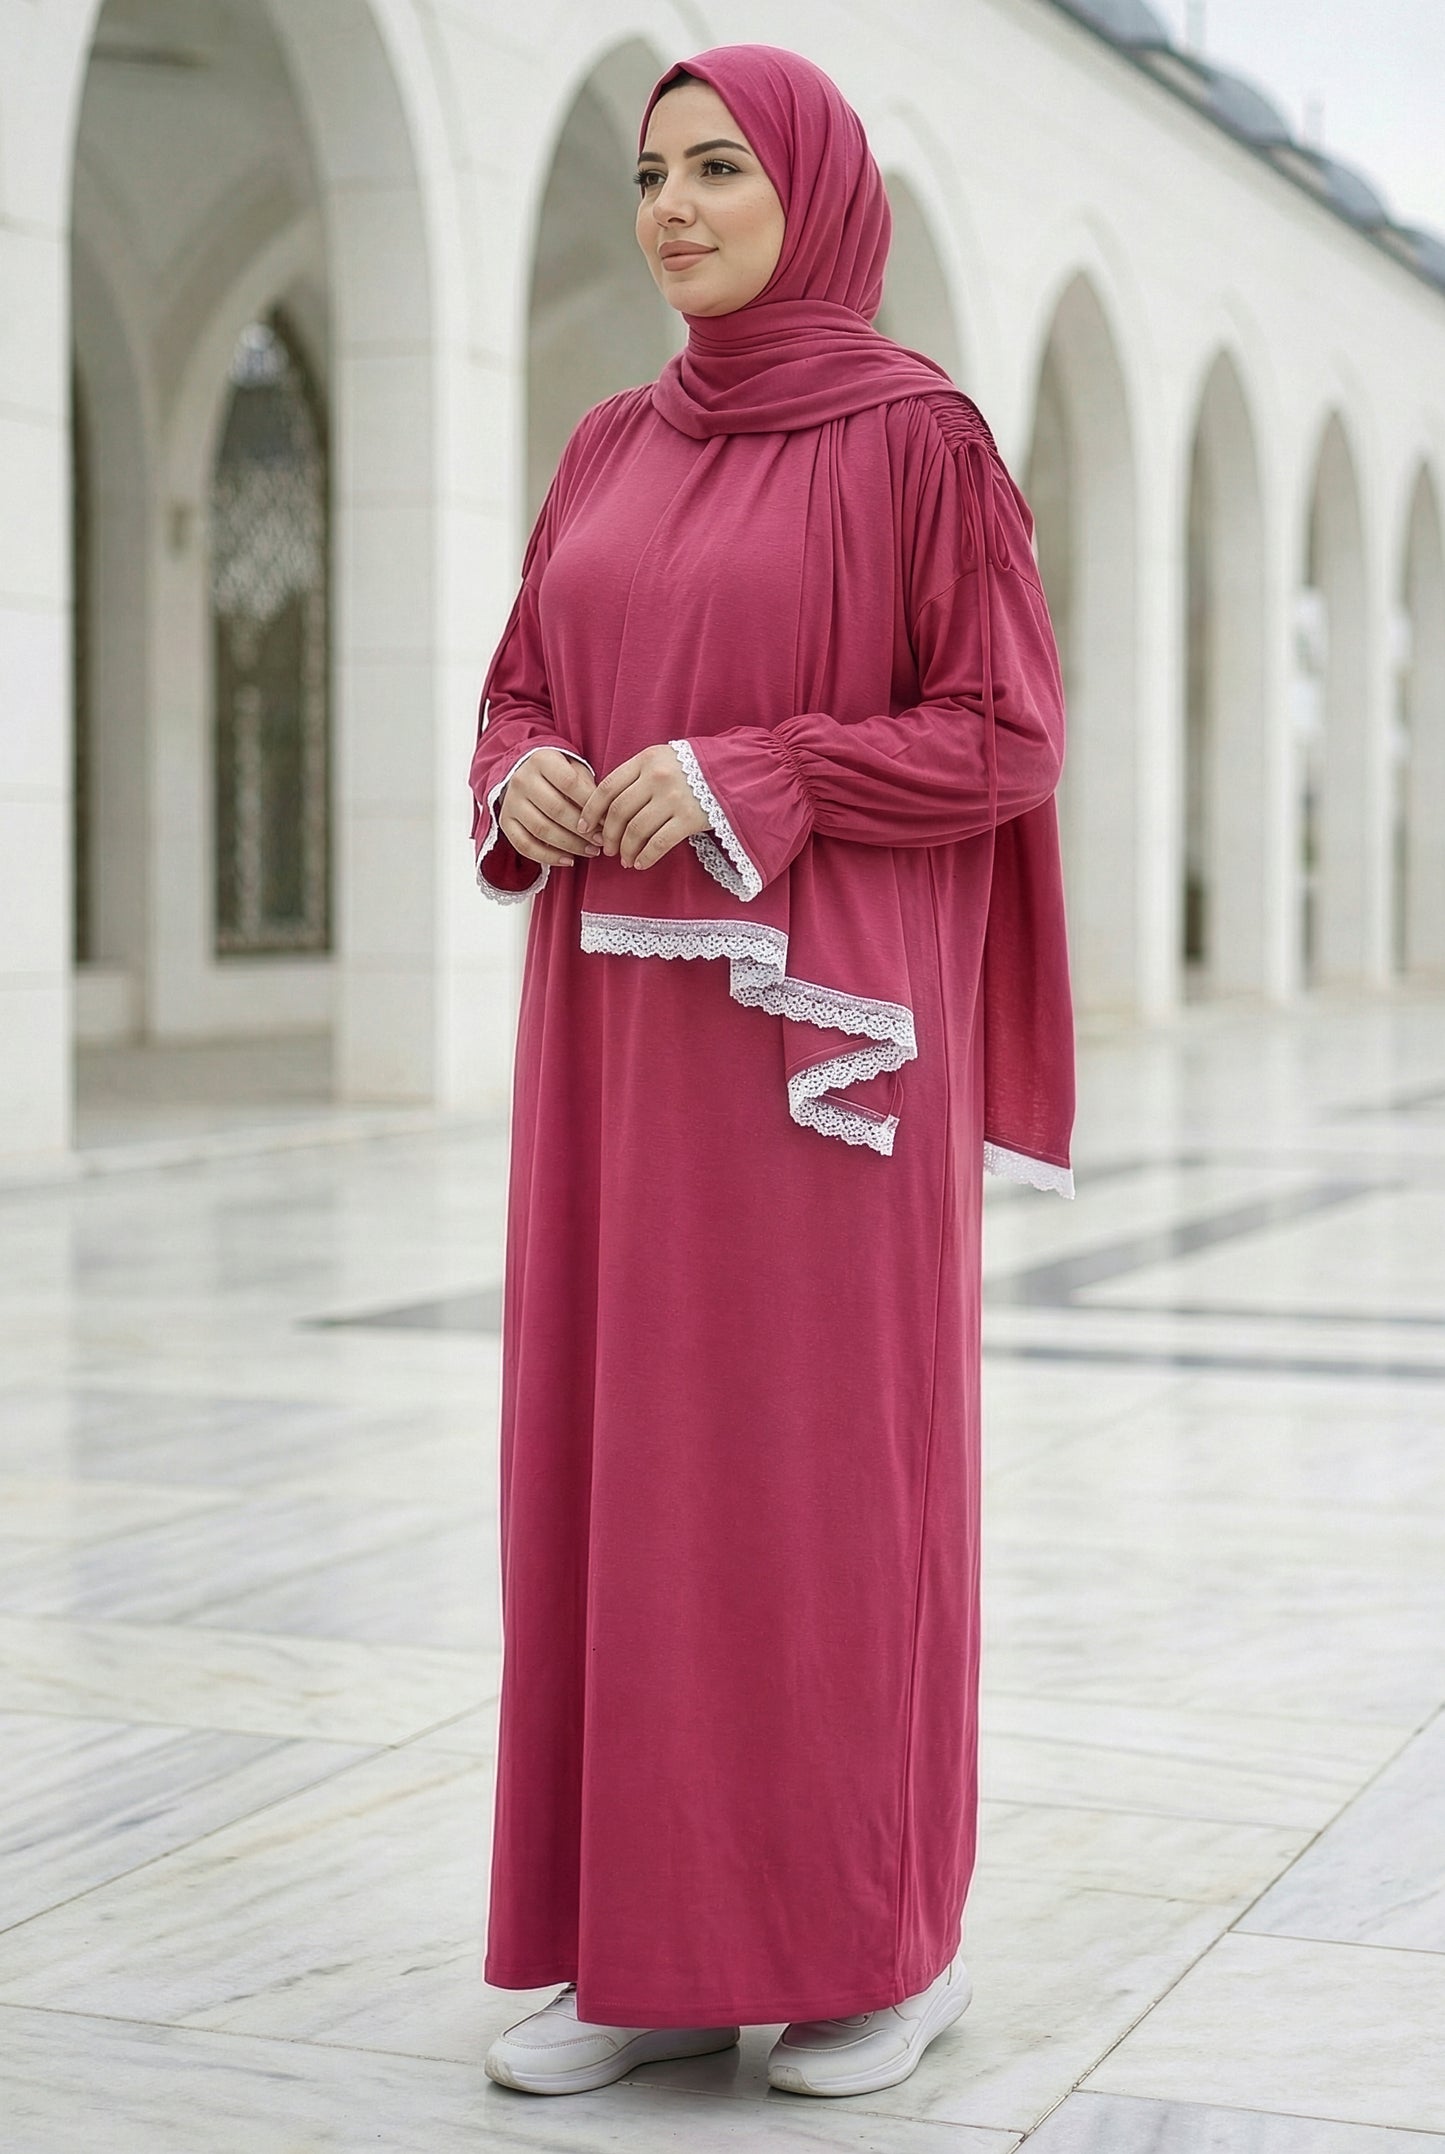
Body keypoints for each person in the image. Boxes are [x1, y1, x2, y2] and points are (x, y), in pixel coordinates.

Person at [469, 41, 1075, 2102]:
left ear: (811, 189)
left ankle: (875, 1951)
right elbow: (522, 683)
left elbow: (1005, 736)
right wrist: (525, 778)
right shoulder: (606, 446)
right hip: (620, 1058)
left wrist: (768, 772)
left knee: (816, 1492)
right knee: (621, 1474)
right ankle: (640, 1956)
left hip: (831, 1075)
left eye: (723, 168)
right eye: (654, 174)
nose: (679, 208)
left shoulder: (922, 445)